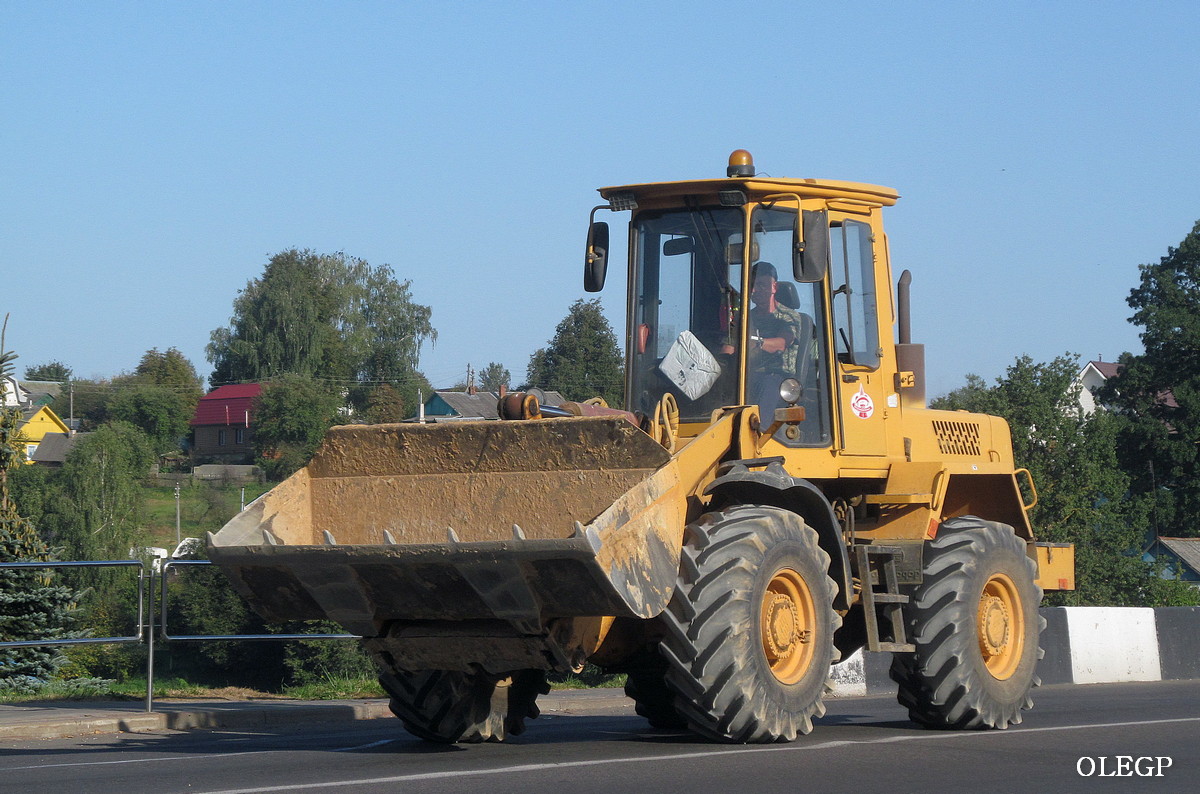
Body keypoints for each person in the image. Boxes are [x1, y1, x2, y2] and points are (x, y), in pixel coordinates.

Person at [748, 261, 807, 413]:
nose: (755, 290)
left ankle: (758, 431)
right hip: (748, 374)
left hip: (778, 378)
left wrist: (755, 342)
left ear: (775, 287)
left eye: (761, 285)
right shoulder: (745, 317)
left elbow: (782, 343)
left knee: (768, 385)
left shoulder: (788, 316)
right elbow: (731, 346)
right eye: (752, 285)